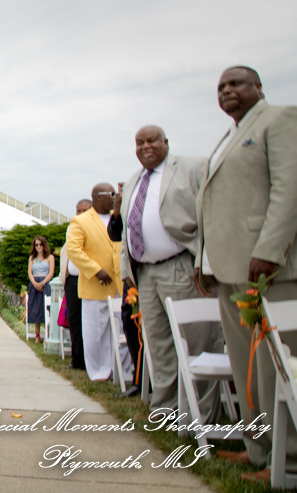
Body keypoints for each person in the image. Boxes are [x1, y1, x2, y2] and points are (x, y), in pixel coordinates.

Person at [196, 66, 297, 481]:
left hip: (268, 270)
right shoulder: (227, 138)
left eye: (235, 83)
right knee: (247, 367)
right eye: (220, 86)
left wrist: (270, 250)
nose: (227, 90)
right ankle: (259, 451)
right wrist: (205, 261)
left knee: (277, 367)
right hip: (229, 271)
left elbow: (289, 188)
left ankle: (287, 458)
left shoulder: (280, 119)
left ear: (258, 87)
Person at [116, 125, 225, 412]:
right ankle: (165, 408)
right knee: (158, 343)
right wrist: (127, 271)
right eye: (139, 142)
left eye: (152, 140)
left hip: (182, 265)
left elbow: (214, 214)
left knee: (196, 341)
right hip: (146, 273)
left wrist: (206, 263)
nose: (145, 146)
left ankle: (197, 415)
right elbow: (129, 229)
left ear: (166, 142)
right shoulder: (135, 180)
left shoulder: (192, 168)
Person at [65, 183, 123, 381]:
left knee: (123, 330)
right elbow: (74, 250)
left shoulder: (119, 216)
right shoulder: (80, 221)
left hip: (121, 284)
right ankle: (99, 371)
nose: (115, 197)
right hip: (96, 285)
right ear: (97, 197)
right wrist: (96, 270)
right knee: (96, 332)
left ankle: (124, 371)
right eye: (111, 194)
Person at [59, 199, 91, 370]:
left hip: (89, 279)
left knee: (89, 319)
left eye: (84, 210)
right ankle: (77, 359)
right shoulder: (72, 227)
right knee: (74, 319)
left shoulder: (95, 227)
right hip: (72, 279)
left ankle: (90, 360)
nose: (80, 214)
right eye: (78, 211)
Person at [26, 235, 55, 343]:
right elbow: (29, 272)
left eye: (40, 244)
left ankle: (47, 334)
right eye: (36, 245)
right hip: (34, 284)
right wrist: (34, 283)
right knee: (35, 309)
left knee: (46, 309)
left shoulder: (50, 257)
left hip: (45, 284)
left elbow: (51, 273)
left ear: (44, 245)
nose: (38, 247)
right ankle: (37, 335)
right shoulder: (32, 258)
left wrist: (42, 283)